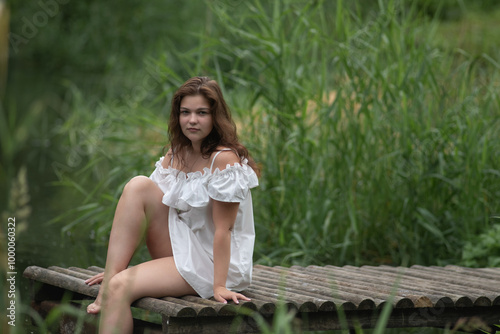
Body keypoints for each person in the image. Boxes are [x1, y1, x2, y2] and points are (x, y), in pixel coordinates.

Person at [84, 76, 259, 334]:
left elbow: (225, 230)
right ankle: (112, 273)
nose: (192, 120)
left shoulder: (224, 160)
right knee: (138, 185)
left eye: (202, 113)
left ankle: (116, 282)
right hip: (182, 248)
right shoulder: (177, 151)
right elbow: (150, 203)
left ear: (215, 117)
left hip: (214, 263)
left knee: (121, 287)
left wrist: (218, 286)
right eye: (185, 112)